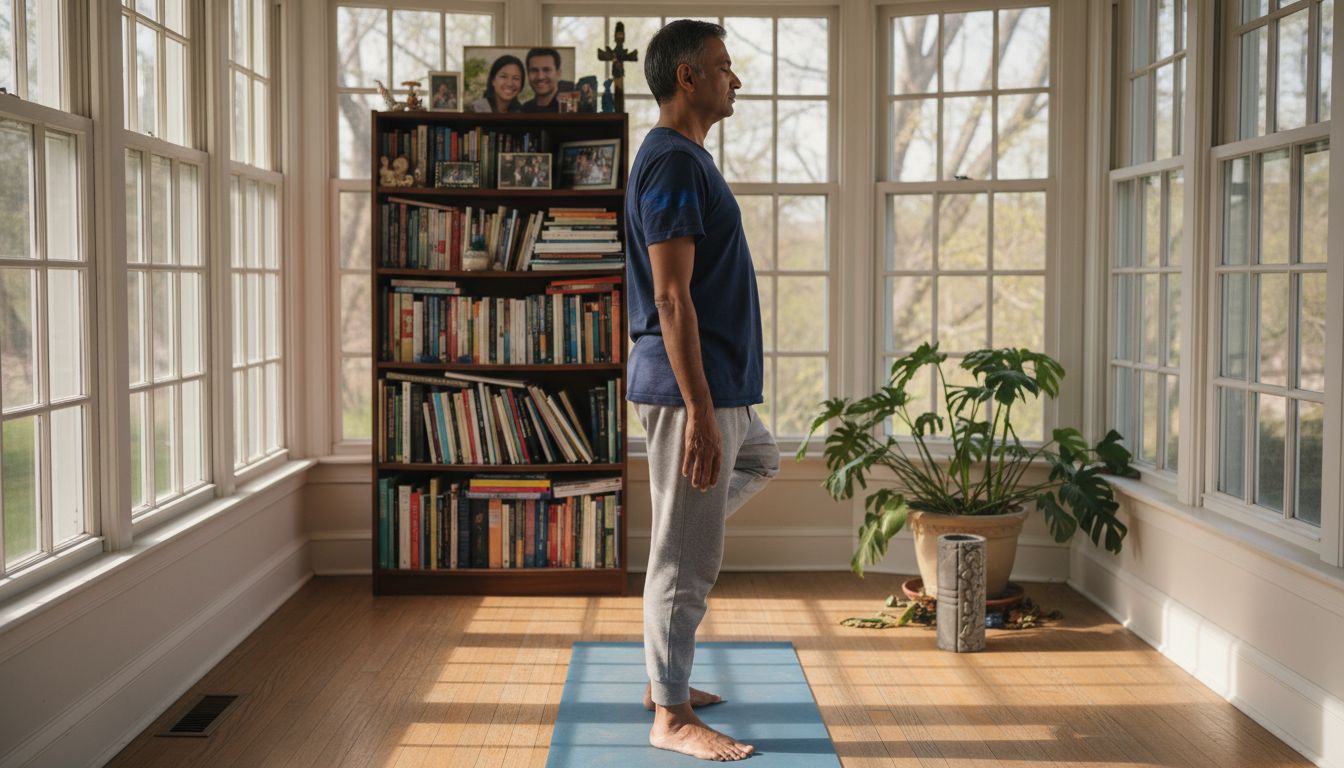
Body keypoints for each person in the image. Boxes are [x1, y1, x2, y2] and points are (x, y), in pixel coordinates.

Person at [625, 19, 776, 763]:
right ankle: (671, 715)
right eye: (723, 66)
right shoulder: (675, 165)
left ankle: (664, 676)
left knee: (761, 463)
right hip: (696, 390)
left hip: (719, 386)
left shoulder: (683, 160)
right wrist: (700, 416)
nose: (734, 79)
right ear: (687, 78)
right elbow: (673, 298)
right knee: (686, 561)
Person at [521, 47, 574, 112]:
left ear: (558, 73)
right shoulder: (525, 109)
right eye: (534, 70)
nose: (540, 77)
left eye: (546, 70)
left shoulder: (570, 108)